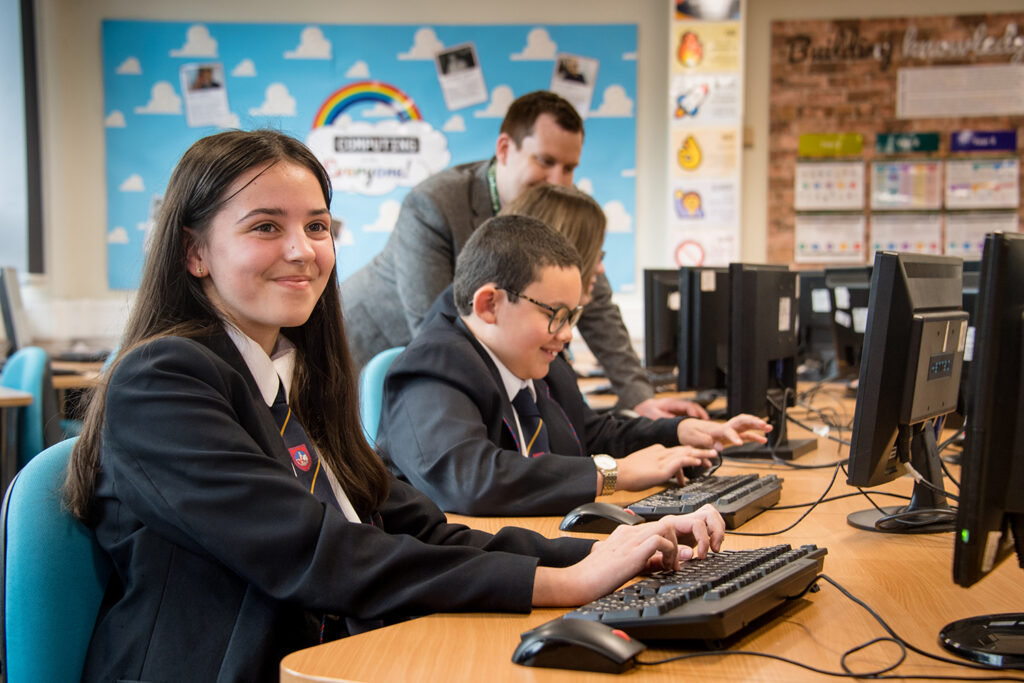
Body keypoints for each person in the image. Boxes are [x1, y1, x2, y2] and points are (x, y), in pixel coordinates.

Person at [61, 130, 727, 683]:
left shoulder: (295, 379)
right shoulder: (161, 383)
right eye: (267, 226)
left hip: (337, 653)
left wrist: (609, 550)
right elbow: (322, 555)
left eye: (318, 226)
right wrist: (567, 584)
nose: (303, 250)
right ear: (194, 251)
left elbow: (424, 530)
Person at [340, 90, 704, 419]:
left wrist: (638, 397)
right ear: (504, 149)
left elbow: (596, 305)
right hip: (364, 347)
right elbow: (434, 326)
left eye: (570, 167)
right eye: (545, 162)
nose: (559, 180)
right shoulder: (435, 204)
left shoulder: (554, 215)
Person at [378, 214, 771, 516]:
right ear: (489, 305)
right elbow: (470, 479)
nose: (566, 334)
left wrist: (681, 432)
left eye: (573, 316)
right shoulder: (431, 370)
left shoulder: (538, 361)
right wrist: (614, 475)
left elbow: (591, 434)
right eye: (557, 314)